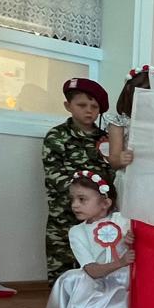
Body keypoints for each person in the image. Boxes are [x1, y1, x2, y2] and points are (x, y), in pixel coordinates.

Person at [43, 170, 133, 308]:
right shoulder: (77, 232)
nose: (74, 205)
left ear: (105, 203)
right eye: (72, 199)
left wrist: (133, 241)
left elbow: (142, 244)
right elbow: (91, 271)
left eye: (82, 199)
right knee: (69, 278)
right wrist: (120, 262)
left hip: (126, 280)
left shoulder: (123, 221)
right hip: (97, 281)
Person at [41, 77, 109, 280]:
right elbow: (54, 175)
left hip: (98, 217)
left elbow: (111, 175)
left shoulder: (105, 139)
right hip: (65, 215)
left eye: (94, 107)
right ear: (68, 106)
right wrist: (83, 198)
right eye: (82, 105)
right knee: (62, 271)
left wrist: (100, 203)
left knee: (97, 265)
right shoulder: (56, 136)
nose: (89, 111)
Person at [105, 65, 154, 170]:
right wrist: (120, 159)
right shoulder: (120, 123)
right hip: (130, 175)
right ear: (129, 90)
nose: (150, 99)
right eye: (146, 92)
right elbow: (113, 160)